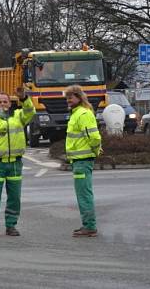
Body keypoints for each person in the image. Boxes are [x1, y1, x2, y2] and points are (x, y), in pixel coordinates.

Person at [0, 88, 34, 238]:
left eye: (5, 101)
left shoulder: (18, 116)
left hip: (15, 163)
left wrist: (24, 98)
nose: (3, 104)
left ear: (10, 104)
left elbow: (30, 112)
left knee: (15, 197)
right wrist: (5, 122)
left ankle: (11, 225)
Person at [64, 85, 102, 237]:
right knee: (83, 194)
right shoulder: (76, 113)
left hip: (82, 161)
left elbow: (94, 137)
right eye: (67, 98)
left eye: (71, 97)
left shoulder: (83, 114)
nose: (68, 100)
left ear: (79, 97)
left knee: (84, 195)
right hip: (79, 161)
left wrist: (95, 150)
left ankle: (90, 226)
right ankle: (88, 225)